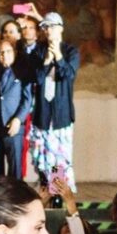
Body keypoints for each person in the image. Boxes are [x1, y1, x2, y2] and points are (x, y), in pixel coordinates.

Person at [31, 12, 79, 194]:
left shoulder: (71, 52)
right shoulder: (38, 51)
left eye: (51, 26)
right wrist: (46, 61)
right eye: (45, 27)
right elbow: (37, 79)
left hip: (61, 116)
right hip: (42, 115)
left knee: (60, 159)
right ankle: (46, 194)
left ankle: (59, 195)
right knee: (43, 159)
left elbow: (68, 75)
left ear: (60, 28)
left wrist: (58, 56)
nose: (47, 30)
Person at [0, 40, 33, 180]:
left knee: (15, 170)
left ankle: (16, 192)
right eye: (1, 53)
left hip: (13, 127)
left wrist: (18, 119)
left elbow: (27, 100)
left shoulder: (22, 73)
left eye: (8, 52)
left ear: (14, 53)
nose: (4, 55)